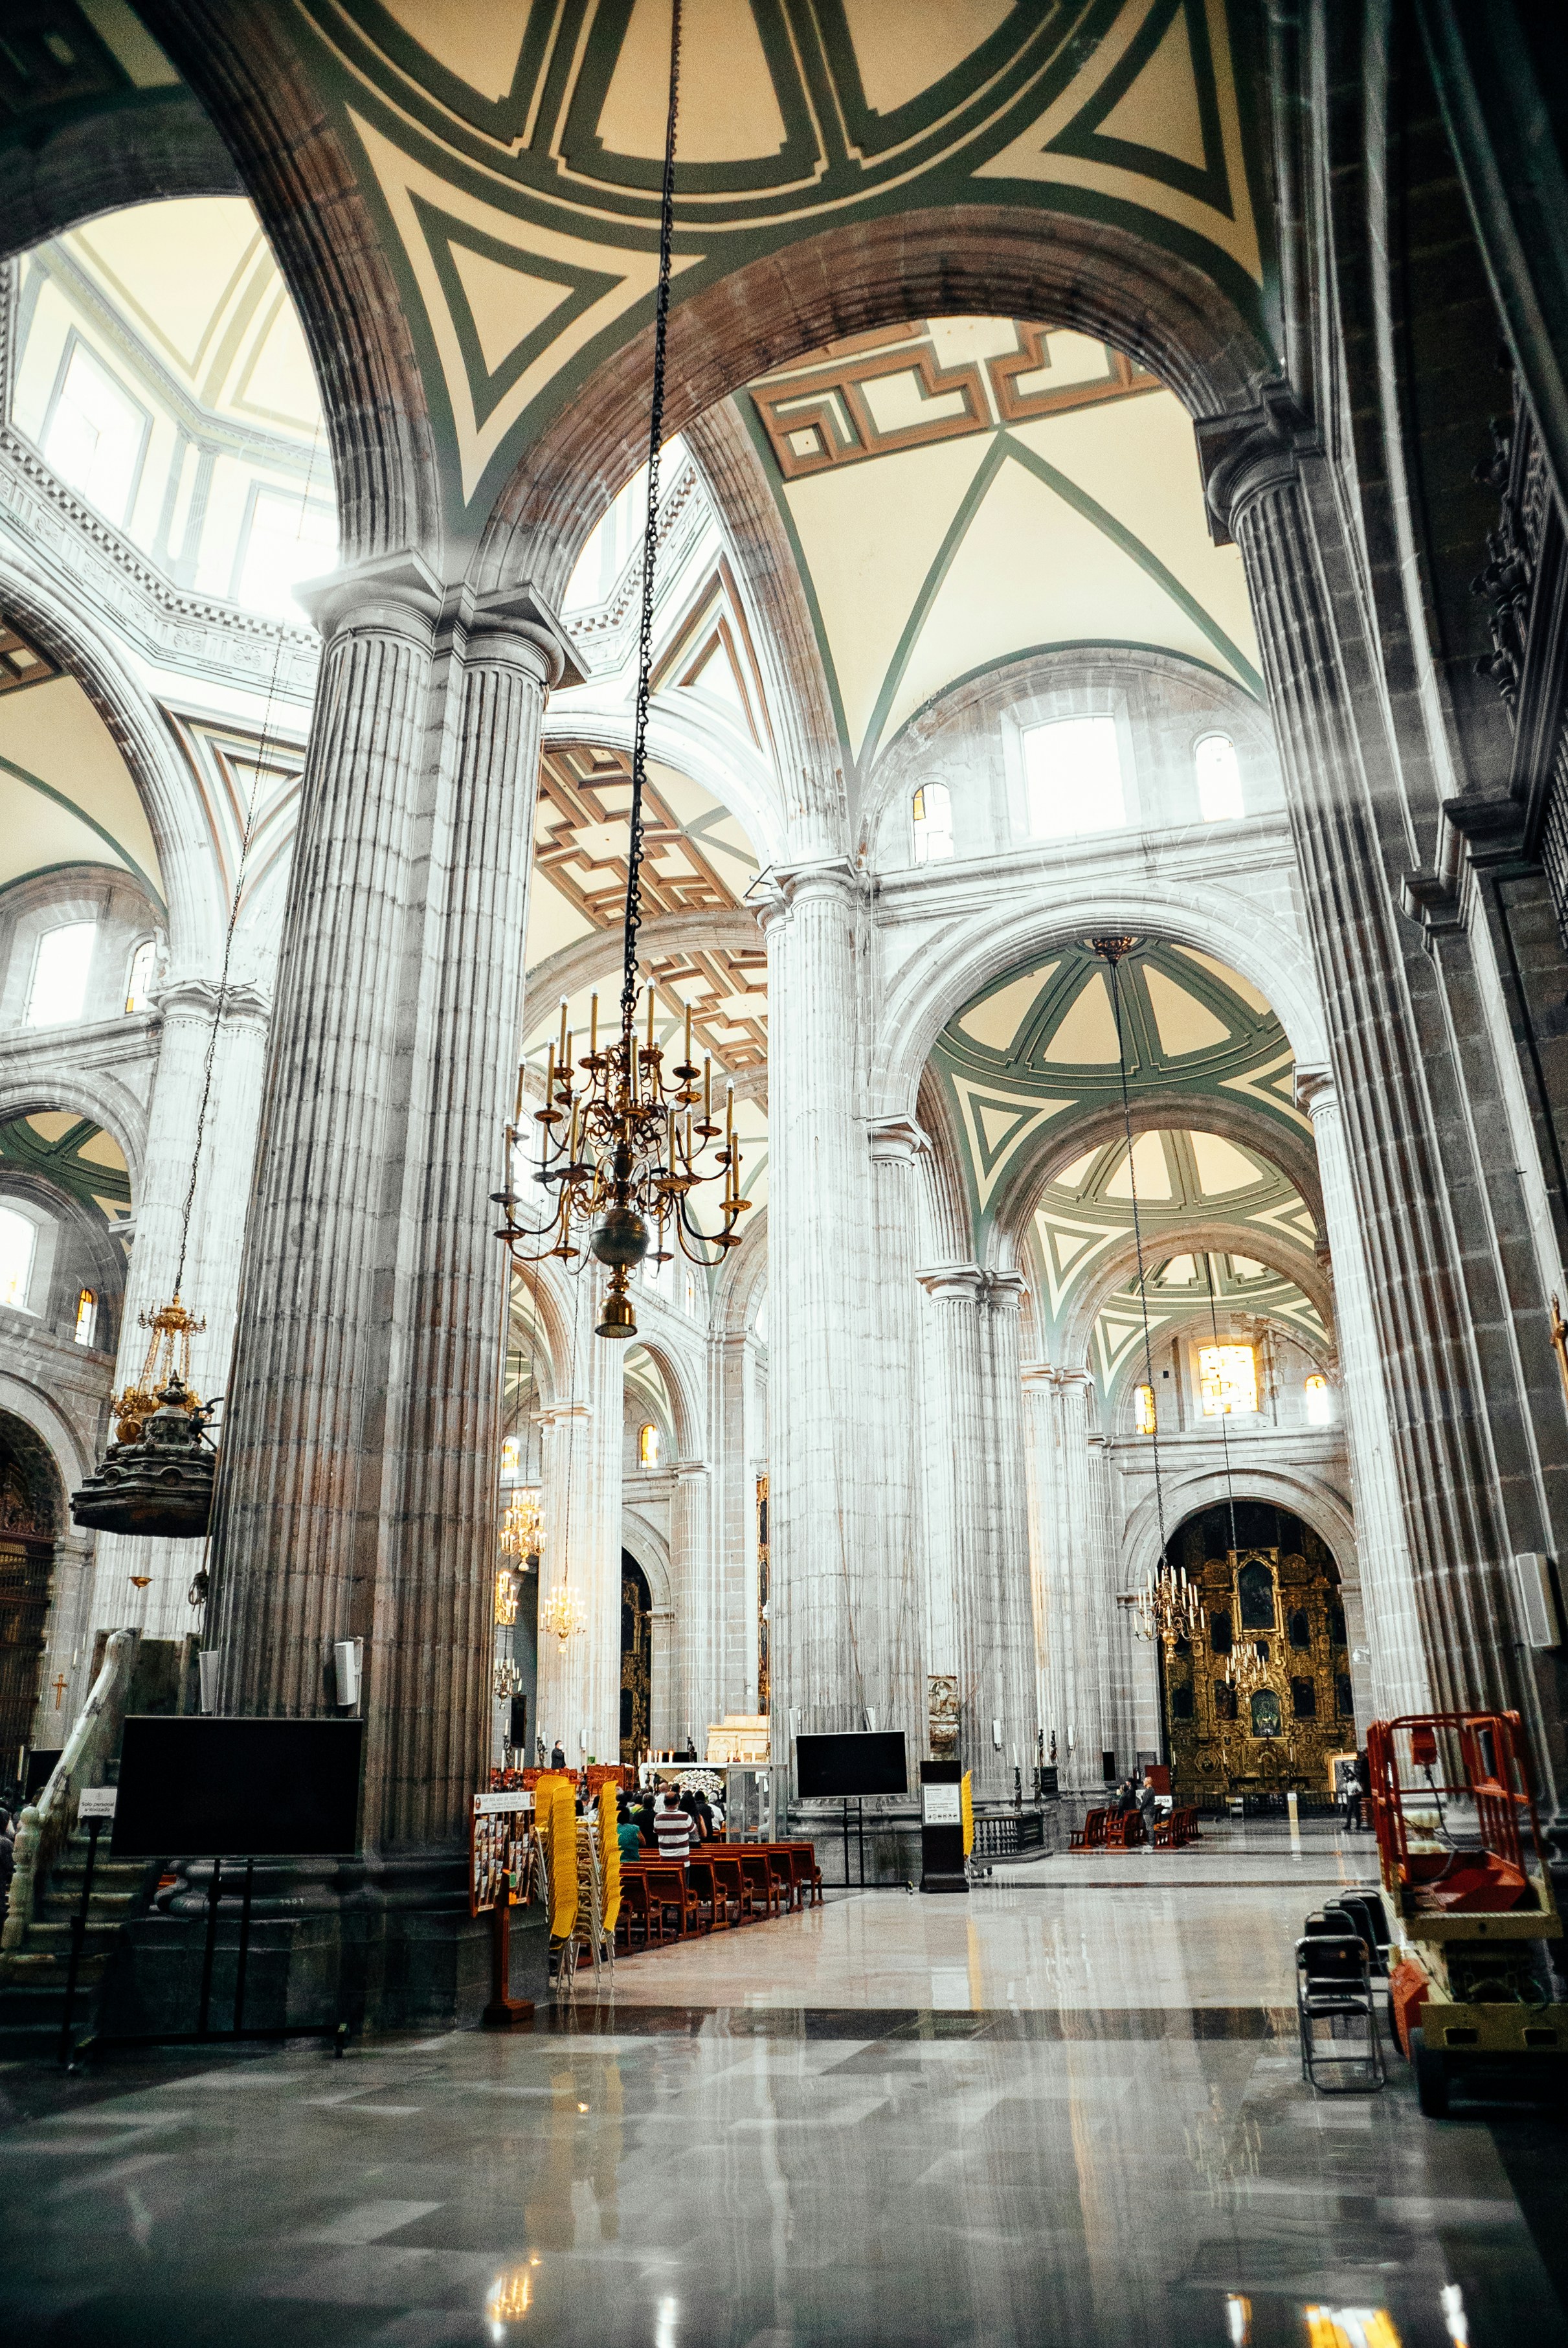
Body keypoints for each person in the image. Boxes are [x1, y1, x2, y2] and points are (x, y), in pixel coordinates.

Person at [653, 1789, 693, 1862]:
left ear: (664, 1802)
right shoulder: (685, 1817)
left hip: (665, 1858)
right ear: (678, 1802)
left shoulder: (658, 1817)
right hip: (682, 1860)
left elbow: (656, 1832)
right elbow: (693, 1831)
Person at [615, 1800, 642, 1866]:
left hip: (616, 1864)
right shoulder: (635, 1829)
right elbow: (643, 1843)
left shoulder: (611, 1829)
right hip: (634, 1863)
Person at [1136, 1776, 1159, 1845]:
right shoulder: (1151, 1790)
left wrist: (1141, 1809)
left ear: (1147, 1782)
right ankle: (1151, 1841)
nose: (1143, 1782)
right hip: (1150, 1810)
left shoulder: (1148, 1791)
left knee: (1149, 1827)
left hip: (1147, 1811)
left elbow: (1145, 1802)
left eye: (1144, 1781)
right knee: (1150, 1826)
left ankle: (1151, 1842)